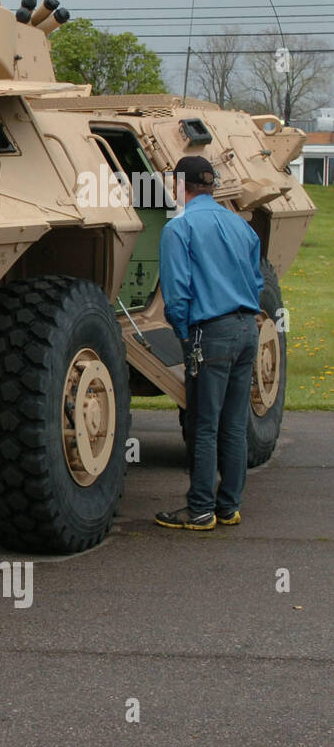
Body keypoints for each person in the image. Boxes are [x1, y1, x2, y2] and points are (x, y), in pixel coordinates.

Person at [155, 155, 263, 530]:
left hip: (209, 332)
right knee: (233, 425)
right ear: (211, 185)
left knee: (203, 423)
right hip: (247, 329)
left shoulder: (179, 228)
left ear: (178, 184)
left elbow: (177, 294)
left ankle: (200, 509)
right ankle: (228, 506)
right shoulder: (240, 225)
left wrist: (184, 333)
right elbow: (257, 281)